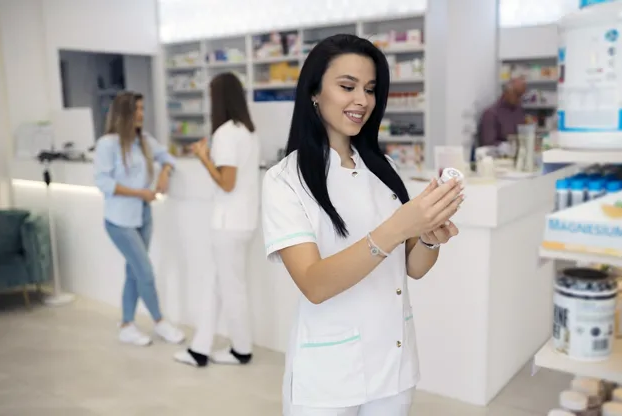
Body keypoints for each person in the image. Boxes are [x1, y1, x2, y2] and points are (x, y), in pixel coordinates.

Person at [261, 34, 464, 415]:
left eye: (370, 89)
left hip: (394, 364)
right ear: (314, 93)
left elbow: (413, 269)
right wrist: (398, 227)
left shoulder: (382, 170)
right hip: (329, 377)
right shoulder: (284, 180)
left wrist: (429, 238)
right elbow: (314, 284)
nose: (362, 100)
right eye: (347, 86)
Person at [173, 72, 260, 368]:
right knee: (218, 284)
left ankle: (241, 349)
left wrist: (203, 157)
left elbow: (227, 183)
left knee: (231, 287)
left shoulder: (225, 133)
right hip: (244, 222)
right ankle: (200, 348)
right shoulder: (248, 131)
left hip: (227, 223)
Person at [94, 91, 185, 346]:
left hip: (143, 216)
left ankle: (126, 325)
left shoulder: (144, 140)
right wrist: (140, 193)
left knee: (133, 272)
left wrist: (164, 173)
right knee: (144, 271)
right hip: (119, 221)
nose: (141, 115)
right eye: (137, 110)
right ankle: (159, 322)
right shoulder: (108, 144)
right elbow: (103, 182)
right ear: (124, 113)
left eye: (143, 109)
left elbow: (168, 157)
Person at [477, 77, 527, 147]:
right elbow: (488, 143)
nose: (520, 99)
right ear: (507, 92)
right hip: (499, 156)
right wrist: (508, 146)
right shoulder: (491, 114)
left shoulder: (518, 111)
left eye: (522, 95)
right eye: (517, 95)